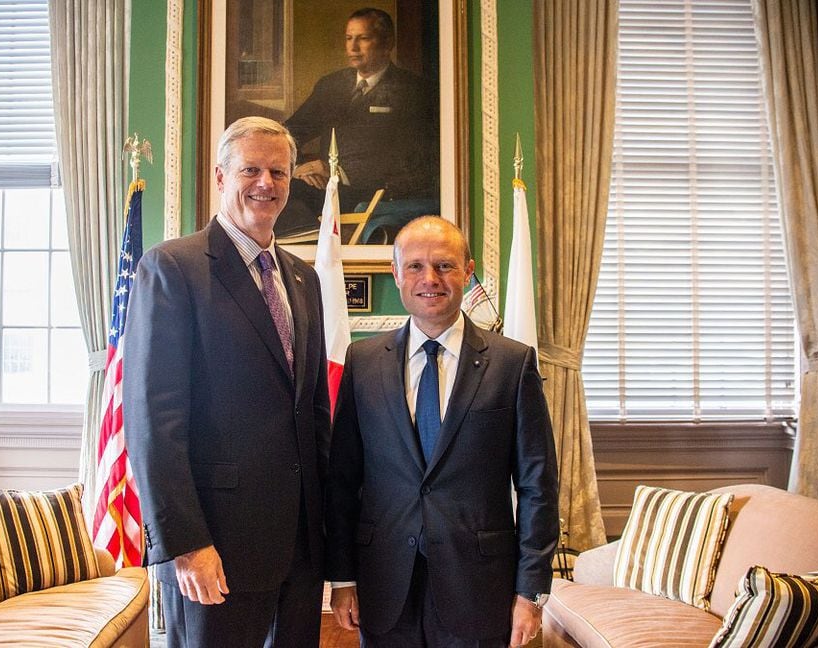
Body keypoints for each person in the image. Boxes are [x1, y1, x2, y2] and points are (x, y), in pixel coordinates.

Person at [124, 116, 331, 648]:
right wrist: (185, 543)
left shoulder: (303, 278)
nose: (266, 183)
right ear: (221, 177)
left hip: (300, 550)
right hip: (215, 546)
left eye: (279, 172)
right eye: (252, 170)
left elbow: (313, 412)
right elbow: (153, 420)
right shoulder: (173, 267)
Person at [325, 216, 559, 647]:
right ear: (396, 273)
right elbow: (342, 481)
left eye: (444, 266)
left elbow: (537, 486)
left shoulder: (512, 363)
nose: (429, 279)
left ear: (468, 272)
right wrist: (342, 577)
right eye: (414, 266)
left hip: (480, 585)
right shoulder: (364, 362)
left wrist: (530, 592)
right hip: (384, 581)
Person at [279, 7, 439, 238]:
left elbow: (419, 164)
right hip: (327, 189)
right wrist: (299, 168)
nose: (352, 47)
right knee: (280, 190)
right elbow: (290, 133)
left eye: (363, 38)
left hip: (375, 194)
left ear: (387, 44)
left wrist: (341, 172)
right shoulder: (331, 86)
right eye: (348, 38)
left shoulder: (414, 92)